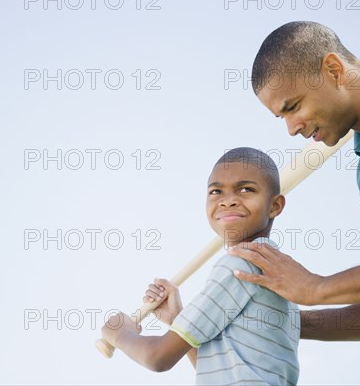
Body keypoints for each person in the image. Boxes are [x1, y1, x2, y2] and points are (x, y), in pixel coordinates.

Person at [229, 21, 360, 340]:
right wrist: (287, 324)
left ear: (333, 70)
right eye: (282, 118)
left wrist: (316, 287)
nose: (292, 129)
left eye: (293, 107)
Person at [101, 148, 300, 385]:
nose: (228, 200)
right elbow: (222, 369)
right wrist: (178, 319)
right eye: (216, 191)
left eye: (246, 189)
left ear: (275, 206)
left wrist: (120, 334)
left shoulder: (241, 265)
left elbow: (158, 357)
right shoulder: (272, 268)